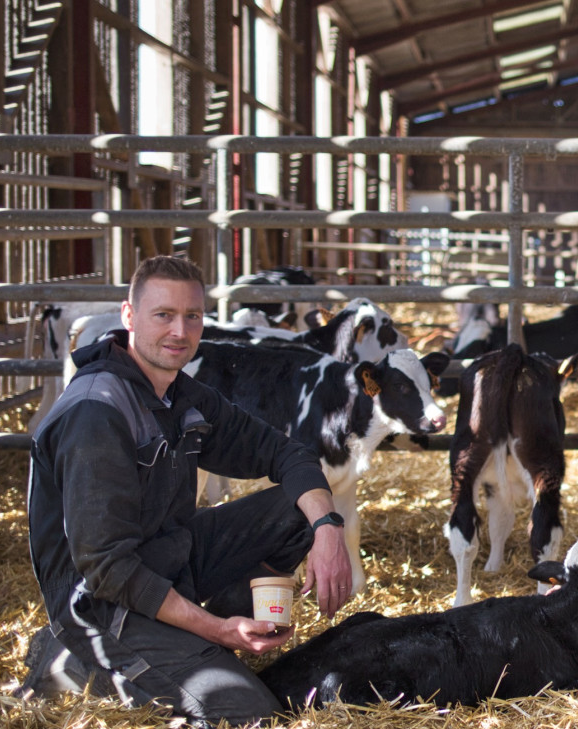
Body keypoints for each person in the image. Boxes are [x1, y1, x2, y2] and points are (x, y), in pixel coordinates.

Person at [21, 255, 353, 726]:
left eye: (192, 316)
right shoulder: (97, 412)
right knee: (249, 714)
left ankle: (198, 648)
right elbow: (109, 569)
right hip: (101, 604)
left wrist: (327, 526)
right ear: (129, 316)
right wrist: (220, 629)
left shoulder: (178, 394)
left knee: (297, 509)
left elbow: (287, 454)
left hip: (168, 560)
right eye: (163, 315)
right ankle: (79, 664)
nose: (180, 331)